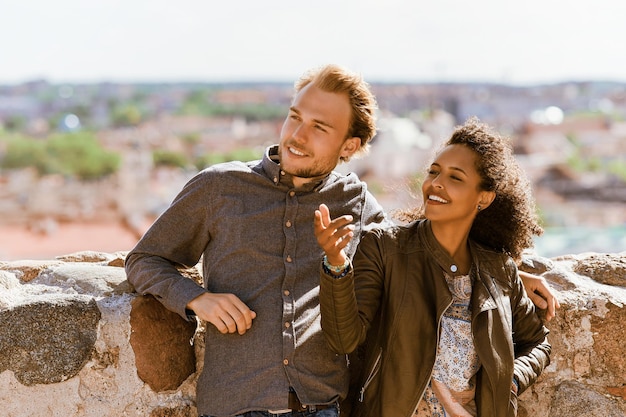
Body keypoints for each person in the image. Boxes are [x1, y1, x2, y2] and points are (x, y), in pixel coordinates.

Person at [126, 64, 557, 417]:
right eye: (295, 116)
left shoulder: (355, 199)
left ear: (349, 144)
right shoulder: (218, 187)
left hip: (326, 406)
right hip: (237, 403)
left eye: (319, 127)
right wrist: (197, 298)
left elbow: (416, 251)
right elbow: (144, 259)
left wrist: (511, 273)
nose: (297, 135)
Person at [314, 117, 552, 417]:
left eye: (456, 177)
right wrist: (336, 264)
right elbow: (343, 339)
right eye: (434, 172)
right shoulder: (385, 248)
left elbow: (537, 341)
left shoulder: (499, 270)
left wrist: (511, 380)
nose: (436, 183)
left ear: (484, 198)